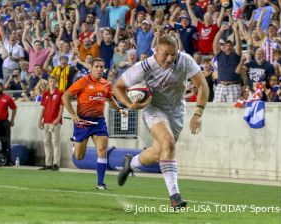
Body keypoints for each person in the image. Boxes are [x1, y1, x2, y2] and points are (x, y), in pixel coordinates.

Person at [113, 35, 209, 209]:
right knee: (168, 142)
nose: (170, 58)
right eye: (166, 54)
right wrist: (129, 105)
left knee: (161, 151)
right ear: (156, 50)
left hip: (177, 111)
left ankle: (131, 163)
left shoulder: (184, 60)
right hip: (153, 108)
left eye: (173, 54)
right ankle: (175, 196)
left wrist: (197, 113)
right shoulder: (144, 67)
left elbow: (202, 85)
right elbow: (117, 87)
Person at [62, 58, 128, 190]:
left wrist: (120, 109)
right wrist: (73, 115)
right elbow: (65, 96)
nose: (99, 69)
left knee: (102, 150)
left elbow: (110, 99)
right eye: (96, 66)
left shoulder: (106, 84)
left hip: (99, 122)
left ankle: (100, 183)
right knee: (79, 157)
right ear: (91, 68)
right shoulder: (83, 81)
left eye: (101, 67)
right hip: (83, 122)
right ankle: (76, 144)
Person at [38, 76, 64, 171]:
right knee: (46, 142)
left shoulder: (60, 93)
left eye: (53, 81)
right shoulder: (46, 93)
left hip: (54, 122)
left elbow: (61, 108)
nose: (51, 83)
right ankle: (48, 163)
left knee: (55, 142)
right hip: (46, 121)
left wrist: (58, 119)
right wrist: (40, 119)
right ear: (48, 83)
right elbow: (43, 108)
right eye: (50, 81)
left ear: (56, 82)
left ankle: (56, 164)